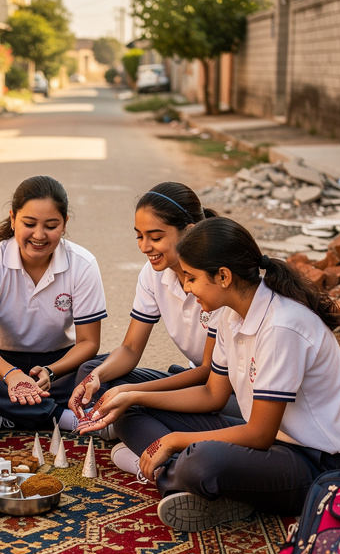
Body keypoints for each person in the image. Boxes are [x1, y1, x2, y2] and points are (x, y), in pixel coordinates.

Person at [106, 216, 340, 532]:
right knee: (129, 411)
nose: (186, 287)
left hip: (313, 464)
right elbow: (212, 395)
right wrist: (133, 395)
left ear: (224, 276)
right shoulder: (230, 315)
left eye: (191, 278)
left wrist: (174, 441)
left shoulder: (281, 326)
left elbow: (258, 434)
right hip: (267, 446)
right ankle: (210, 486)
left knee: (201, 460)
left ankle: (172, 473)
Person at [68, 182, 240, 435]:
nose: (145, 247)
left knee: (135, 405)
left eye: (156, 237)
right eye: (139, 236)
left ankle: (160, 444)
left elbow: (208, 374)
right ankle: (144, 433)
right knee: (92, 373)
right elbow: (130, 348)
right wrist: (98, 376)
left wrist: (132, 393)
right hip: (195, 379)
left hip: (228, 391)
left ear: (189, 232)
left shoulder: (216, 280)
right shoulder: (153, 274)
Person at [0, 175, 107, 433]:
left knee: (106, 370)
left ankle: (2, 414)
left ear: (64, 223)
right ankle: (62, 418)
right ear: (13, 219)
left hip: (60, 369)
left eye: (51, 225)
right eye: (29, 223)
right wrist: (12, 376)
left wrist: (50, 371)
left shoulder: (83, 264)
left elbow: (89, 342)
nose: (39, 235)